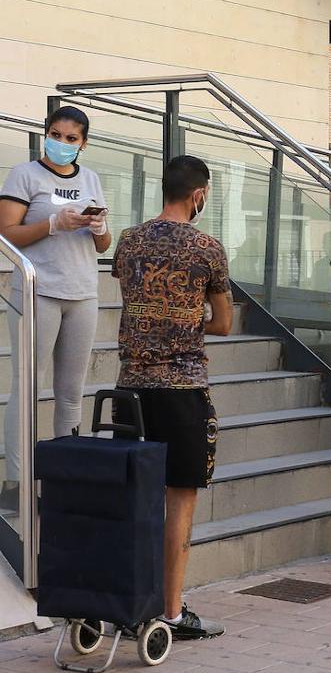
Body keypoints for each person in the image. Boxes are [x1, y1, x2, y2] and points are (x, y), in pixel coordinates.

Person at [110, 155, 230, 639]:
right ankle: (172, 613)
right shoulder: (207, 247)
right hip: (183, 390)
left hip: (129, 388)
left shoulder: (129, 239)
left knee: (133, 497)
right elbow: (223, 322)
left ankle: (127, 602)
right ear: (198, 195)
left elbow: (131, 296)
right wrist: (189, 318)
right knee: (179, 501)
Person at [0, 106, 111, 509]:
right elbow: (6, 233)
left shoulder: (91, 179)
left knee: (71, 392)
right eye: (56, 135)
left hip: (82, 293)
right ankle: (16, 481)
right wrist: (51, 225)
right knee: (28, 385)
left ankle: (66, 477)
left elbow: (103, 246)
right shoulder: (24, 174)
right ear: (46, 135)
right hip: (39, 291)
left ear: (83, 143)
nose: (62, 143)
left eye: (71, 138)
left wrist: (99, 228)